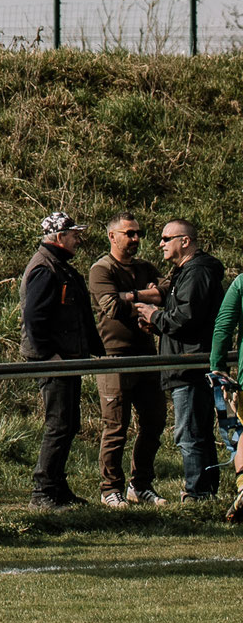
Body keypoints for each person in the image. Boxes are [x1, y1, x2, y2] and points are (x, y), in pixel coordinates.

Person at [23, 211, 104, 509]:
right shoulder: (46, 268)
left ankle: (56, 487)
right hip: (57, 361)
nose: (79, 240)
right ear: (59, 237)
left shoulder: (57, 265)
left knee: (68, 424)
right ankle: (43, 492)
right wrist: (49, 355)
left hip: (66, 359)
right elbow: (34, 318)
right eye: (74, 235)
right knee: (59, 425)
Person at [140, 218, 225, 501]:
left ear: (184, 241)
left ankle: (198, 492)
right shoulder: (189, 272)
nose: (160, 243)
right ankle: (205, 490)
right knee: (197, 432)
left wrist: (155, 316)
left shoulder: (197, 272)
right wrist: (160, 322)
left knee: (188, 434)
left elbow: (187, 317)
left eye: (166, 238)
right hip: (188, 362)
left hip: (188, 366)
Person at [89, 211, 166, 506]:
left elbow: (168, 290)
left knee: (154, 421)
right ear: (112, 236)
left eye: (138, 234)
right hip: (113, 357)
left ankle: (141, 484)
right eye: (129, 233)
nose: (135, 239)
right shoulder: (102, 269)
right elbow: (111, 306)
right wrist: (145, 297)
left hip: (147, 355)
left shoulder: (146, 266)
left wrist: (130, 296)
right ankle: (110, 488)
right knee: (116, 426)